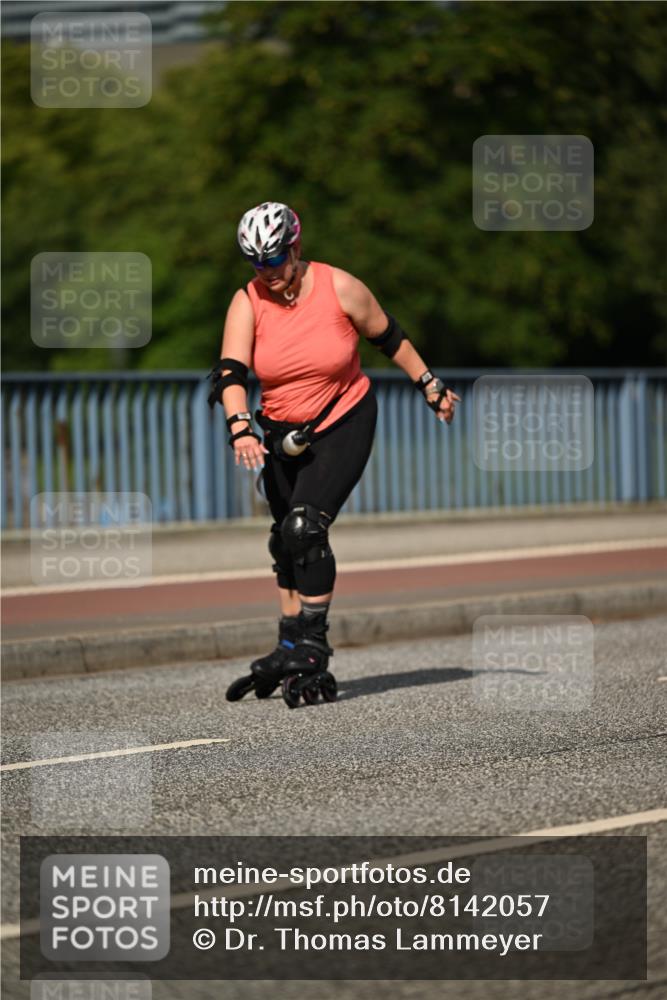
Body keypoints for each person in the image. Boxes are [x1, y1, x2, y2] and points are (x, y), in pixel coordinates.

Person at [209, 201, 460, 708]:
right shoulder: (248, 301)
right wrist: (241, 428)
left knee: (306, 527)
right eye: (258, 264)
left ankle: (313, 645)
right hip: (281, 433)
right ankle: (289, 644)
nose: (270, 273)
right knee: (284, 542)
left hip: (344, 419)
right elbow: (231, 373)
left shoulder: (340, 286)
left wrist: (430, 385)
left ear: (296, 246)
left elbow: (390, 336)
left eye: (276, 259)